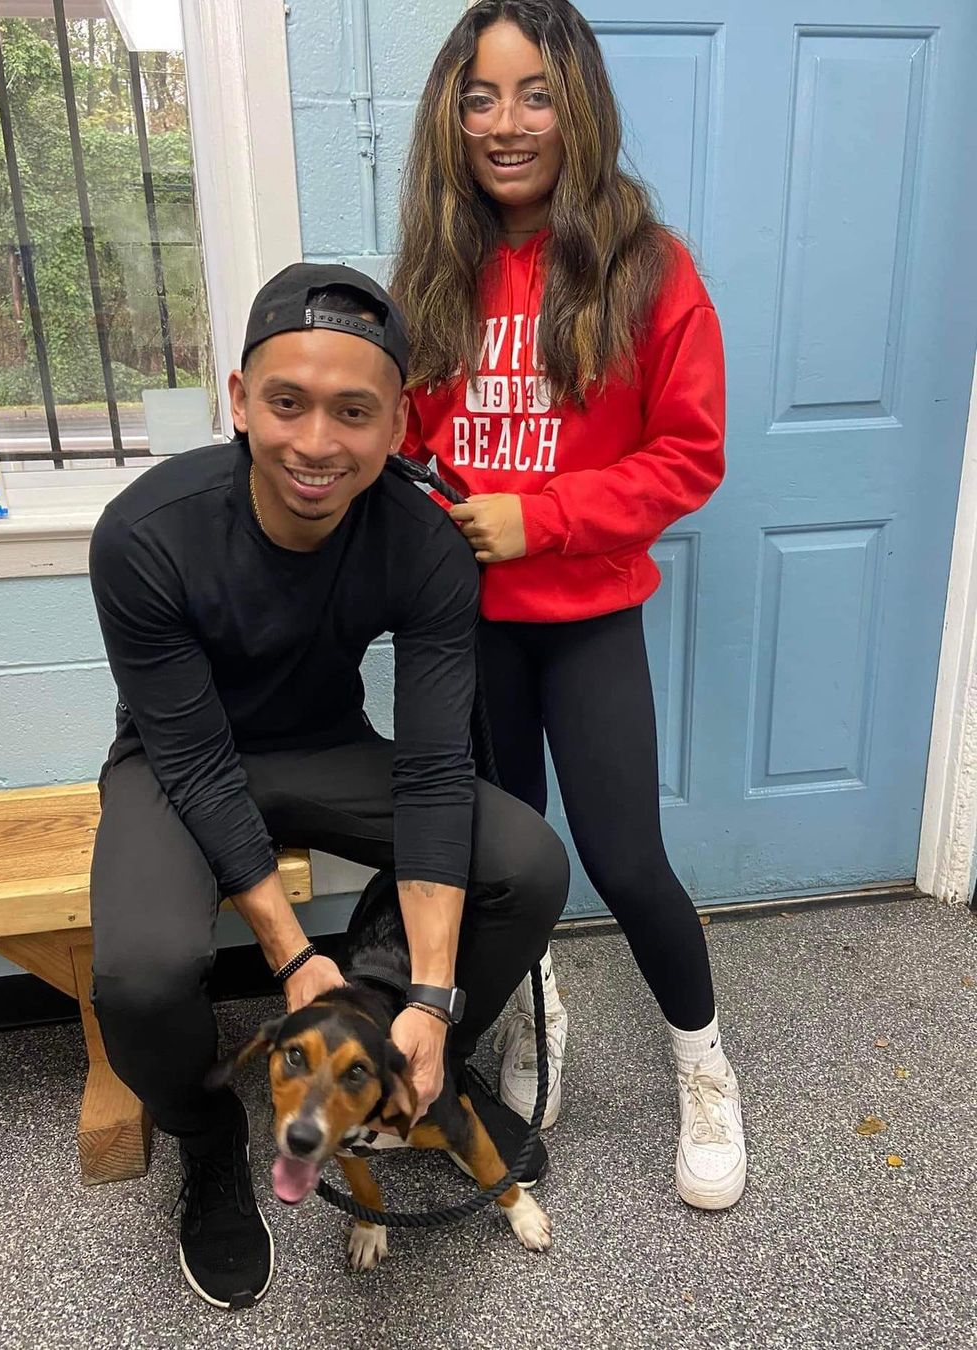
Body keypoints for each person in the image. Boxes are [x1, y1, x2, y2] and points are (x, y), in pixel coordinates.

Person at [87, 263, 568, 1311]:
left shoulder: (425, 543)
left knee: (526, 861)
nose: (316, 442)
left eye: (353, 411)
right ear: (238, 401)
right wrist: (296, 957)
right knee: (140, 973)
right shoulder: (145, 534)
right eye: (287, 403)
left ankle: (417, 1064)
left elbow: (435, 767)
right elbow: (198, 763)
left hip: (323, 749)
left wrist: (430, 997)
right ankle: (209, 1141)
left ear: (396, 423)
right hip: (176, 761)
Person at [391, 0, 745, 1210]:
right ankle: (537, 1006)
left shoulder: (650, 266)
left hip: (587, 616)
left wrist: (539, 519)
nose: (507, 123)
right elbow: (411, 441)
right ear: (452, 116)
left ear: (577, 106)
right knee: (507, 858)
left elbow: (689, 456)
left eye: (535, 94)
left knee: (626, 860)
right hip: (468, 626)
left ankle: (704, 1063)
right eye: (480, 98)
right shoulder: (435, 270)